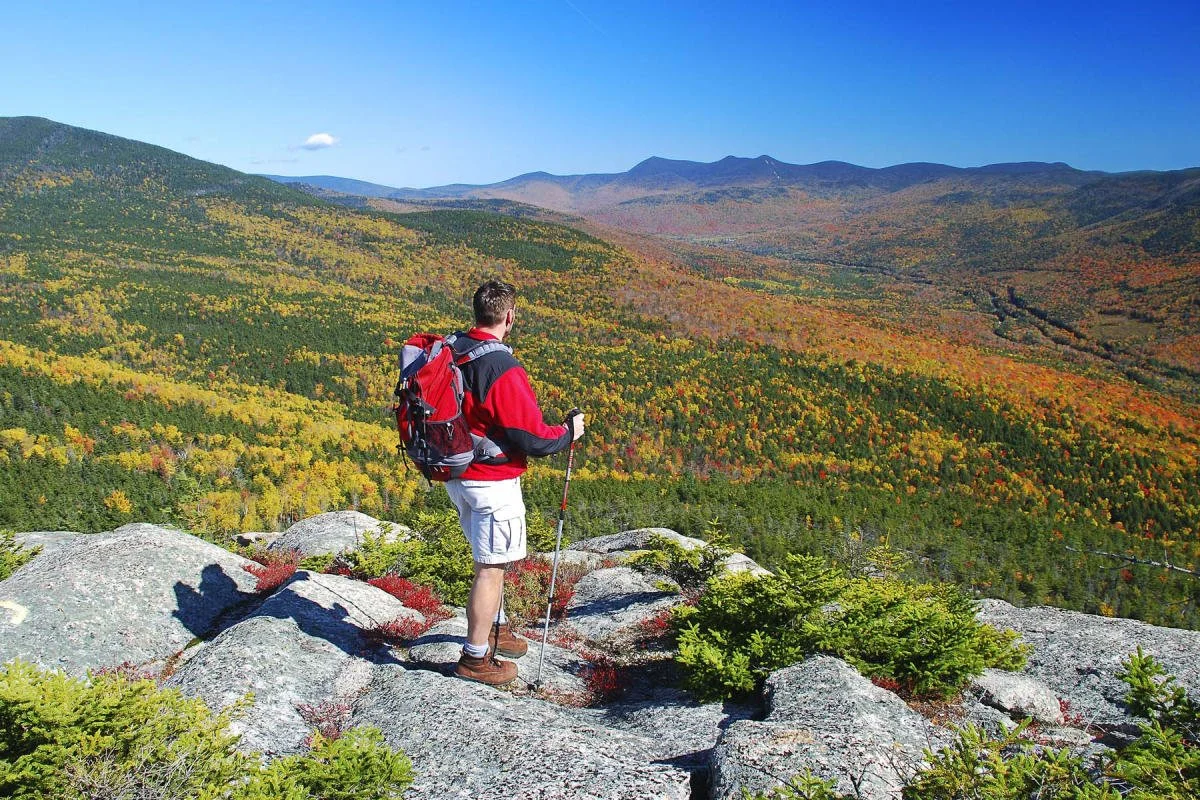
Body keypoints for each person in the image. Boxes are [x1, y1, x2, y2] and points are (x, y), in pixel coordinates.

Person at [446, 279, 585, 685]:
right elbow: (532, 438)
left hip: (459, 474)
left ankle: (498, 628)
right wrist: (568, 433)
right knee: (490, 568)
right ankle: (474, 658)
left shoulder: (455, 349)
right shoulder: (501, 367)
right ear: (509, 317)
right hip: (491, 482)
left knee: (491, 559)